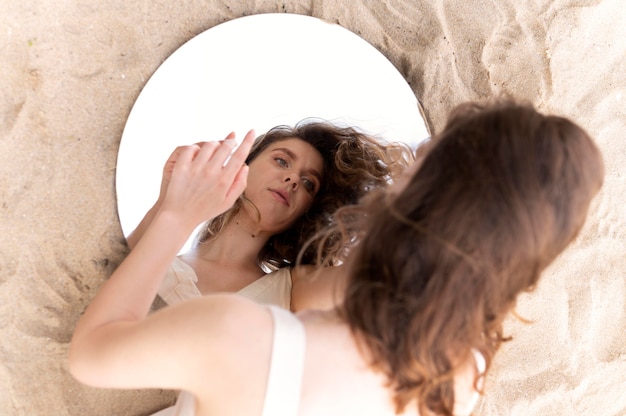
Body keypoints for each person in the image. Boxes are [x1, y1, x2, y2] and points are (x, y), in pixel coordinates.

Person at [69, 100, 604, 416]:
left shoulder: (238, 336)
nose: (401, 167)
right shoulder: (465, 374)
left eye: (418, 160)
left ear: (420, 198)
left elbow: (91, 354)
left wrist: (174, 215)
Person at [127, 121, 413, 310]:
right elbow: (108, 277)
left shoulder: (294, 288)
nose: (292, 179)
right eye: (281, 160)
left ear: (305, 213)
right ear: (244, 165)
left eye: (308, 183)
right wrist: (169, 199)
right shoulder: (161, 253)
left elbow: (381, 278)